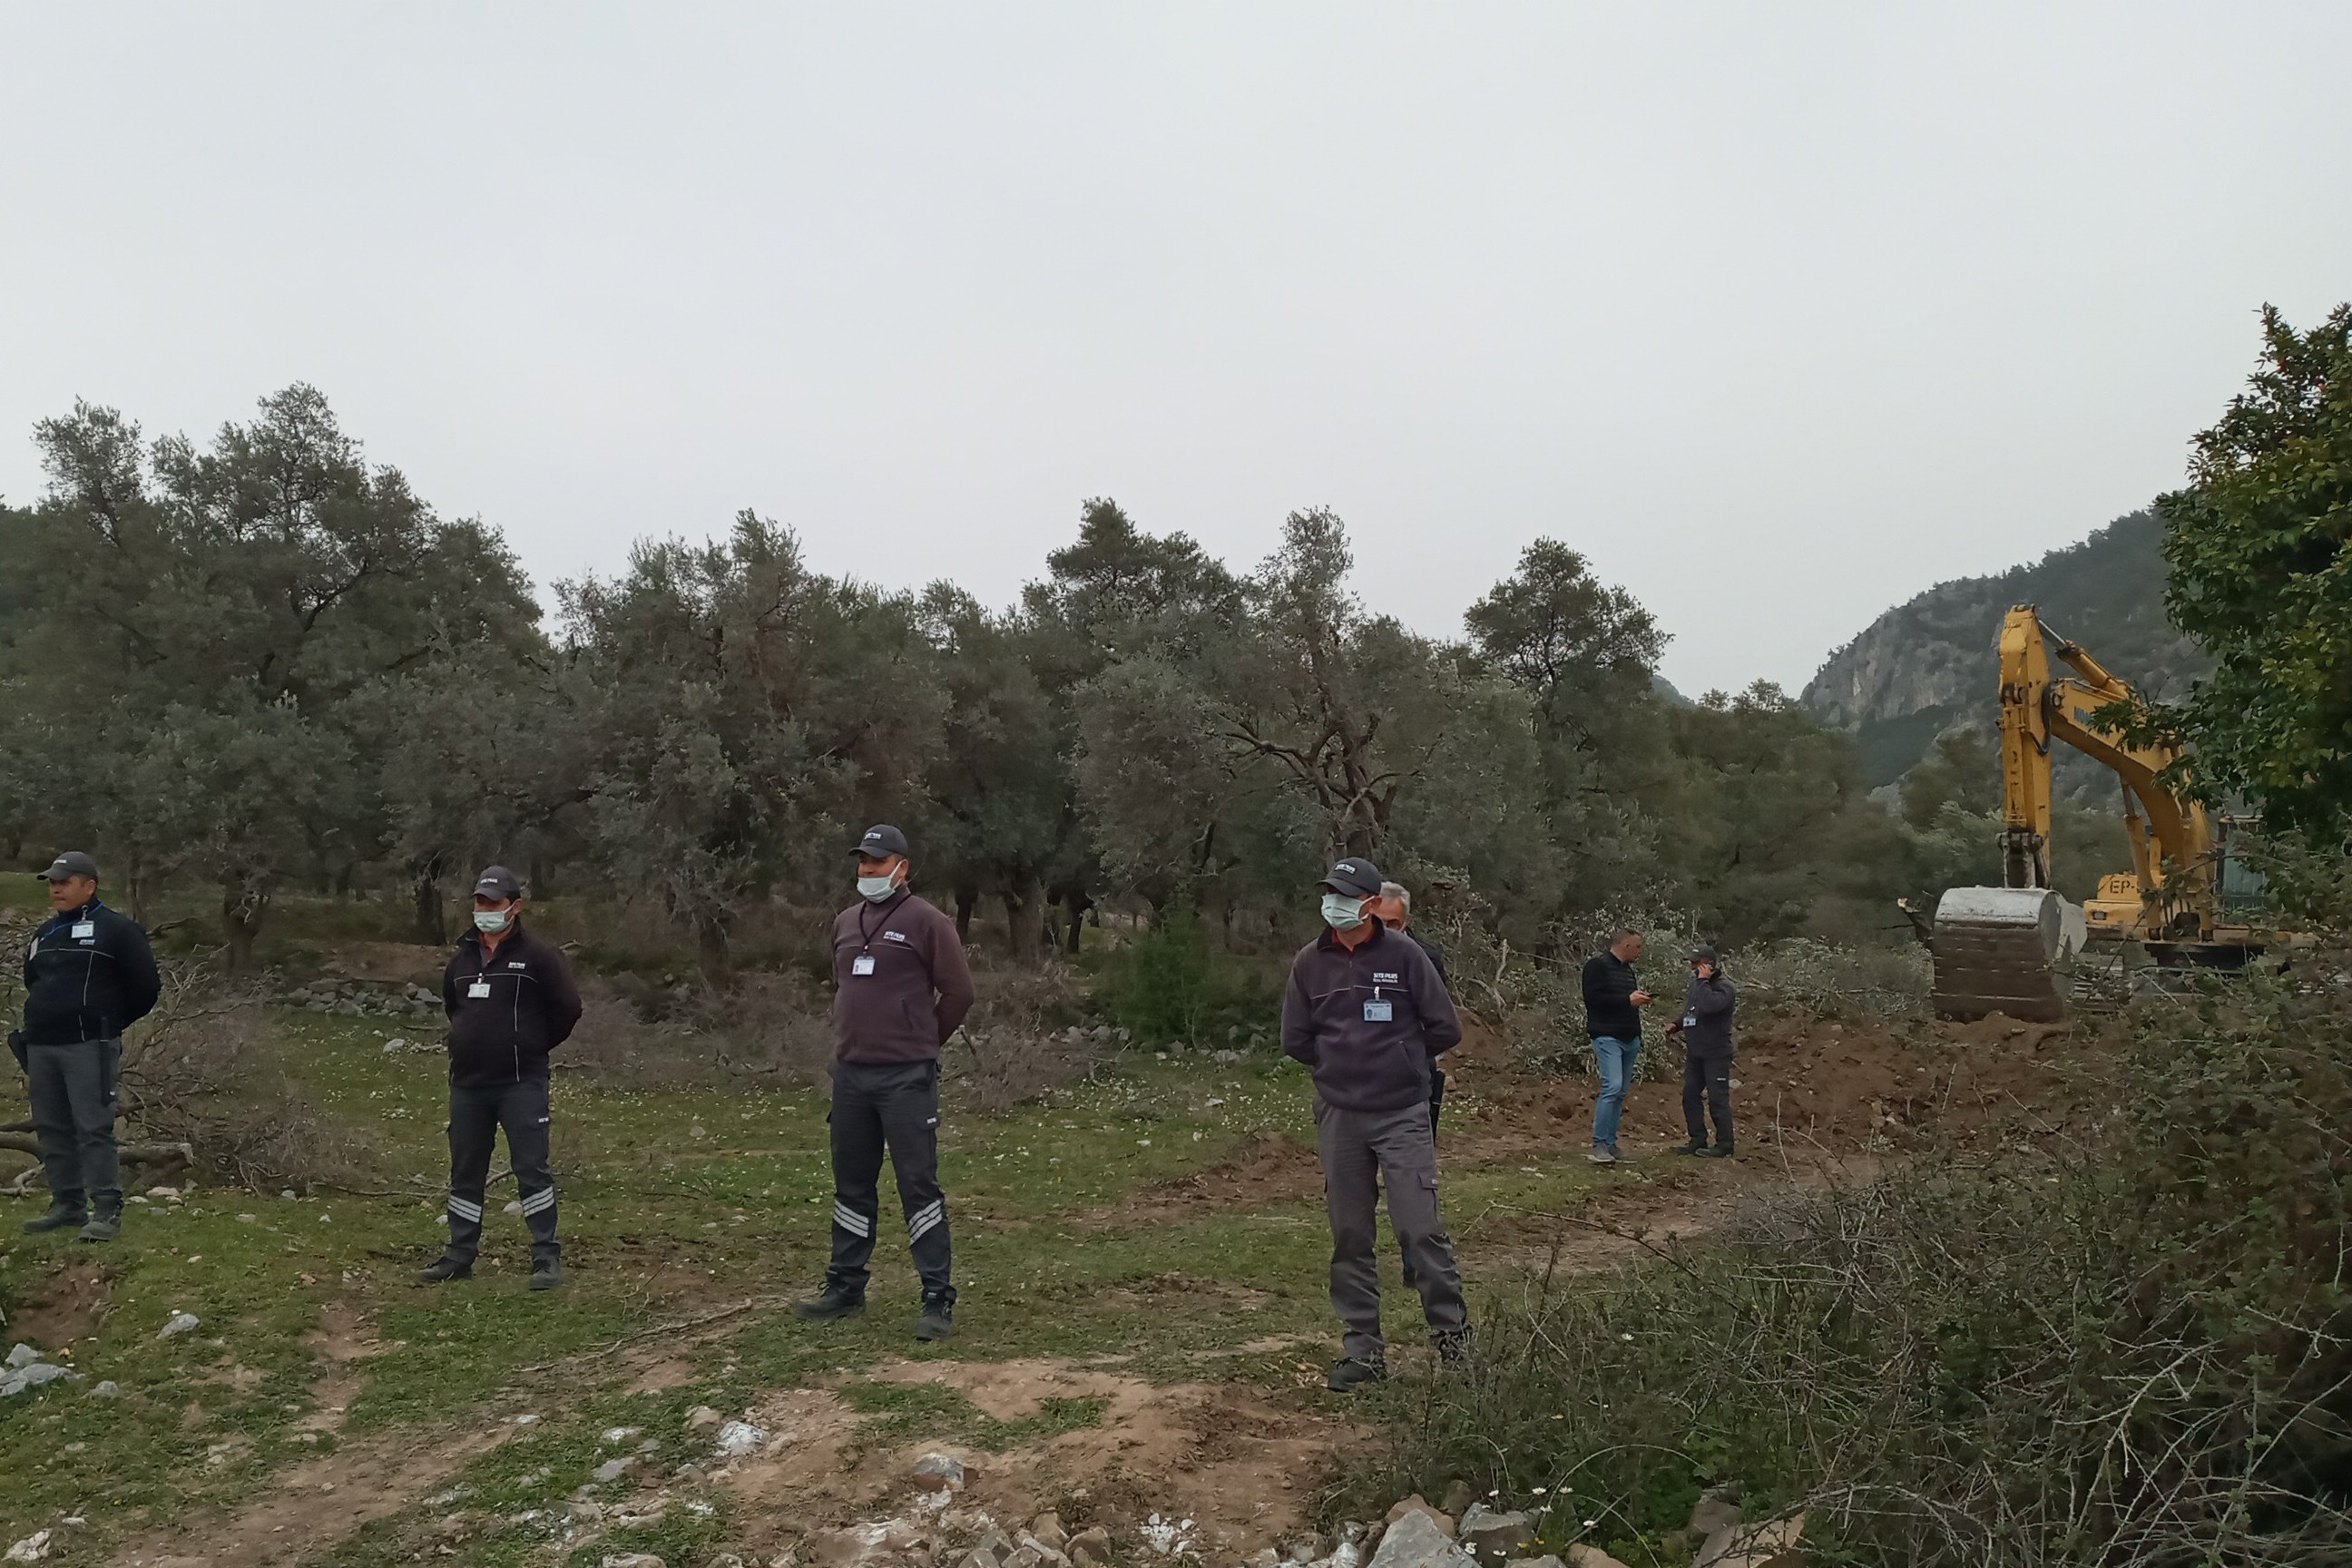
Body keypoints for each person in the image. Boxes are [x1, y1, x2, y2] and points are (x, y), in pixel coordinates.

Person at [1283, 855, 1470, 1392]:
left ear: (1368, 904)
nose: (1333, 904)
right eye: (1329, 893)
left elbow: (1444, 1029)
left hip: (1402, 1114)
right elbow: (1295, 1039)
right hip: (1340, 1115)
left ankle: (1453, 1341)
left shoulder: (1406, 956)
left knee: (1420, 1227)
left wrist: (1402, 1064)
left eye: (1344, 895)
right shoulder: (1308, 963)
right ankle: (1363, 1351)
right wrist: (1338, 1068)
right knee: (1350, 1233)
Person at [796, 825, 976, 1340]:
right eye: (862, 863)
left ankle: (937, 1296)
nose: (867, 871)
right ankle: (846, 1286)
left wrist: (920, 1042)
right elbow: (845, 986)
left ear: (902, 867)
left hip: (906, 1079)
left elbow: (959, 993)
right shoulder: (846, 923)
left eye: (877, 862)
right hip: (851, 1077)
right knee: (852, 1184)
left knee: (918, 1185)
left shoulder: (928, 922)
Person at [417, 866, 583, 1290]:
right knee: (465, 1171)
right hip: (468, 1085)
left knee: (532, 1169)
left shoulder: (540, 956)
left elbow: (567, 1009)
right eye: (479, 902)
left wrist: (531, 1046)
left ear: (515, 907)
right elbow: (454, 1007)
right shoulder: (462, 959)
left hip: (520, 1084)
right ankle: (459, 1255)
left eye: (493, 903)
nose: (485, 910)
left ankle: (545, 1256)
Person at [12, 852, 159, 1242]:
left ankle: (107, 1210)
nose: (56, 888)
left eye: (64, 881)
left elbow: (146, 988)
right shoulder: (44, 933)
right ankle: (68, 1203)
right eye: (52, 883)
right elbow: (35, 981)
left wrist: (106, 1023)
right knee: (52, 1126)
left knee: (94, 1128)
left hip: (89, 1045)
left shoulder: (118, 931)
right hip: (42, 1045)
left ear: (89, 885)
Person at [1372, 880, 1447, 1290]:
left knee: (1413, 1180)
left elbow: (1438, 1020)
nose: (1385, 930)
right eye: (1377, 921)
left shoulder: (1425, 958)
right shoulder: (1352, 954)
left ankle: (1415, 1262)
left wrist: (1411, 1058)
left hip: (1413, 1084)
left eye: (1393, 923)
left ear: (1407, 920)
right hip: (1358, 1087)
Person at [1580, 927, 1651, 1164]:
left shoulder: (1628, 971)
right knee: (1612, 1087)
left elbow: (1624, 1002)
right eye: (1638, 946)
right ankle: (1599, 1144)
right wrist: (1627, 1000)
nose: (1640, 951)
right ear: (1626, 945)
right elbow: (1592, 999)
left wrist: (1635, 1001)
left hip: (1629, 1037)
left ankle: (1611, 1144)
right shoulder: (1597, 966)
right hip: (1607, 1035)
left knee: (1620, 1093)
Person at [1667, 946, 1736, 1158]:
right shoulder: (1697, 984)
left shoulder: (1724, 988)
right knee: (1690, 1095)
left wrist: (1703, 981)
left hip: (1716, 1052)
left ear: (1709, 964)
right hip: (1696, 1051)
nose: (1692, 966)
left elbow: (1709, 1006)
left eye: (1696, 963)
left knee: (1717, 1099)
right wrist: (1677, 1024)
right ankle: (1697, 1139)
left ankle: (1725, 1145)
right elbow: (1693, 1009)